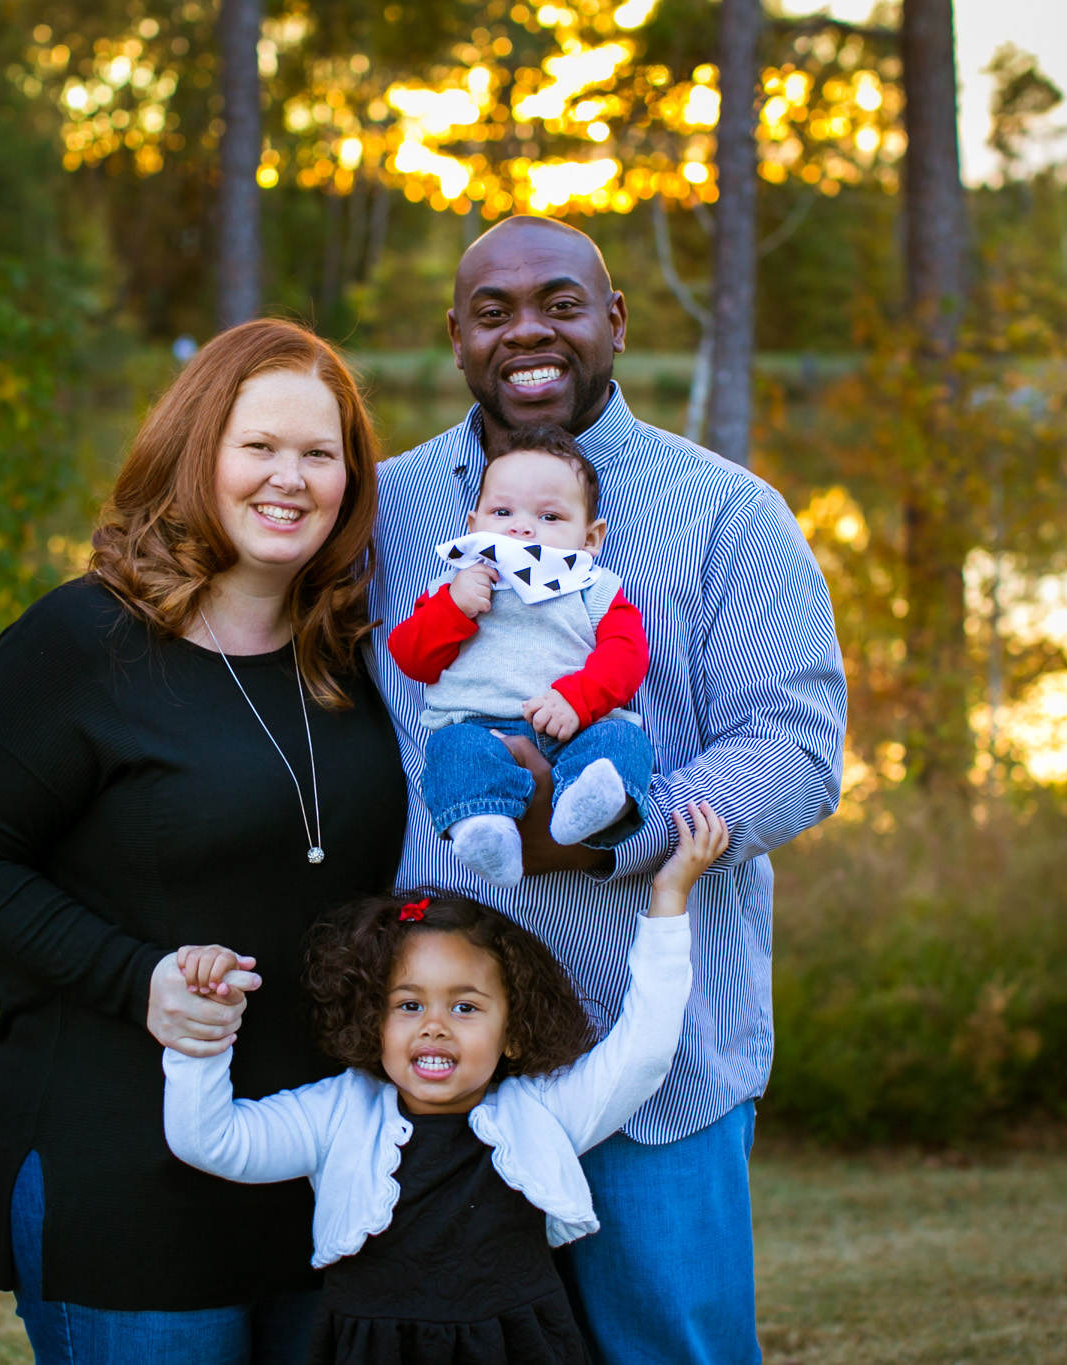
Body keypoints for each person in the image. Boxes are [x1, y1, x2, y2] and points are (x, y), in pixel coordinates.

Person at [368, 215, 847, 1365]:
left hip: (657, 1062)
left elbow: (794, 744)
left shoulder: (728, 512)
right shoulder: (378, 515)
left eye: (560, 302)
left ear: (615, 321)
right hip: (440, 1067)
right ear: (455, 338)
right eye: (493, 311)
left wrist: (609, 836)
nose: (527, 330)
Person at [0, 319, 410, 1365]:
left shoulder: (354, 656)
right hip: (121, 1170)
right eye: (257, 447)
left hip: (321, 1173)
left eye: (319, 454)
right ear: (195, 454)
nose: (290, 479)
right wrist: (137, 979)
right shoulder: (85, 642)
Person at [161, 803, 731, 1365]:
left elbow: (645, 1050)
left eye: (464, 1006)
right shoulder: (336, 1115)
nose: (434, 1024)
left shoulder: (540, 1115)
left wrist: (669, 902)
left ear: (512, 1031)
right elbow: (210, 1141)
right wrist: (200, 1035)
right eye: (408, 1004)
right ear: (373, 1022)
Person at [386, 423, 653, 888]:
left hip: (576, 725)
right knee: (453, 752)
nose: (522, 526)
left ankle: (589, 803)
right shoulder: (453, 588)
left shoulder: (592, 586)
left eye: (550, 517)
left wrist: (579, 698)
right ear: (474, 525)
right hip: (477, 726)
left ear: (590, 539)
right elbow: (411, 658)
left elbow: (627, 654)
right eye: (503, 510)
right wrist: (453, 607)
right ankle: (485, 829)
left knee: (624, 743)